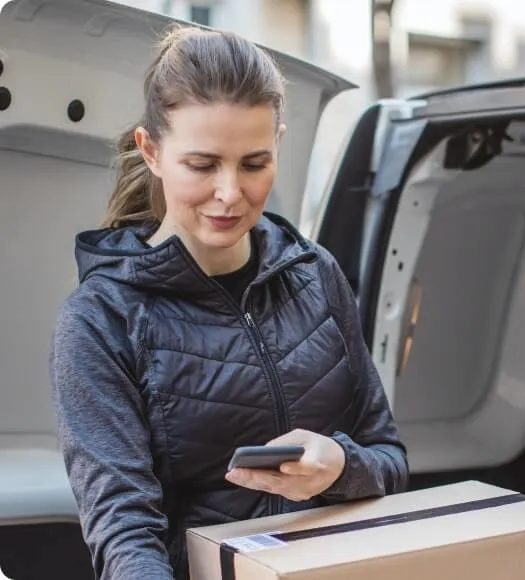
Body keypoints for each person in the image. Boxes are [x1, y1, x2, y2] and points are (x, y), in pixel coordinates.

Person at [49, 25, 408, 580]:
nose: (230, 193)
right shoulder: (101, 320)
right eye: (202, 165)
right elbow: (124, 533)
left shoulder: (316, 274)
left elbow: (390, 459)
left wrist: (341, 465)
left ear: (278, 146)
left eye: (253, 163)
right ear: (151, 151)